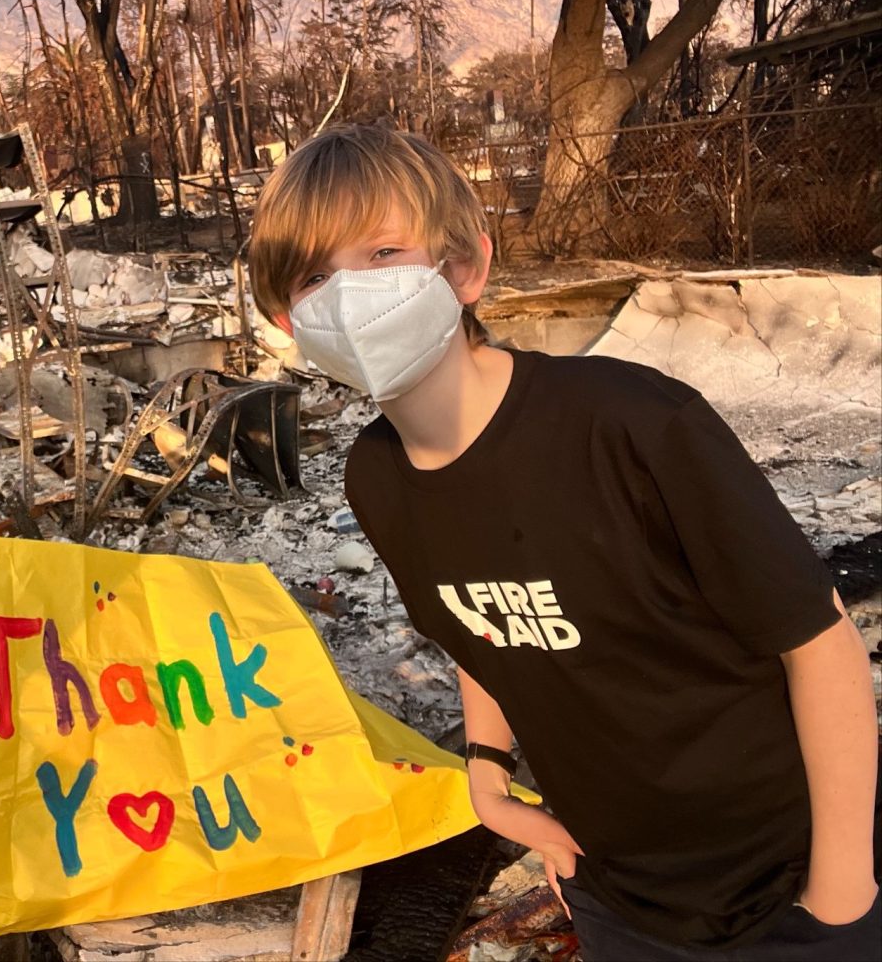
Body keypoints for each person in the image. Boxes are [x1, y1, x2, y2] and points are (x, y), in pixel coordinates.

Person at [247, 124, 879, 960]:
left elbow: (819, 640)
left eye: (383, 251)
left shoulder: (635, 425)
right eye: (317, 275)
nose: (350, 293)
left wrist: (843, 894)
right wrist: (487, 777)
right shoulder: (376, 478)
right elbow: (473, 623)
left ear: (465, 267)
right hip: (614, 891)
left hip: (783, 878)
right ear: (291, 320)